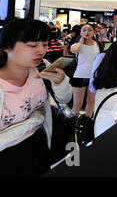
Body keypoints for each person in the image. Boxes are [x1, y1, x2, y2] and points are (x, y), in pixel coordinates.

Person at [0, 18, 72, 176]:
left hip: (39, 143)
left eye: (45, 45)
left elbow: (65, 99)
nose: (41, 51)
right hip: (6, 154)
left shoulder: (41, 67)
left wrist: (60, 82)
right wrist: (35, 119)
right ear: (6, 46)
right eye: (32, 45)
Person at [70, 23, 103, 116]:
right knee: (77, 104)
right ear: (80, 33)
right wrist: (80, 42)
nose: (87, 32)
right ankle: (73, 125)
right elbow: (74, 51)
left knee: (91, 102)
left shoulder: (98, 44)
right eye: (84, 30)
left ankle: (86, 123)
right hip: (79, 76)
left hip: (94, 77)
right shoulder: (77, 45)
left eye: (89, 30)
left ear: (94, 32)